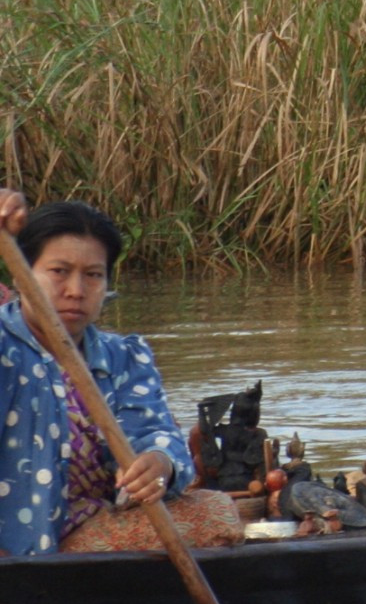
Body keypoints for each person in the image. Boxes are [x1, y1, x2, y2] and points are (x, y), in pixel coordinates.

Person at [0, 192, 239, 556]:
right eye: (59, 272)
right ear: (21, 277)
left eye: (93, 275)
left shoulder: (123, 355)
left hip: (81, 528)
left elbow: (154, 432)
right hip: (14, 537)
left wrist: (159, 465)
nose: (76, 291)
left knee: (216, 513)